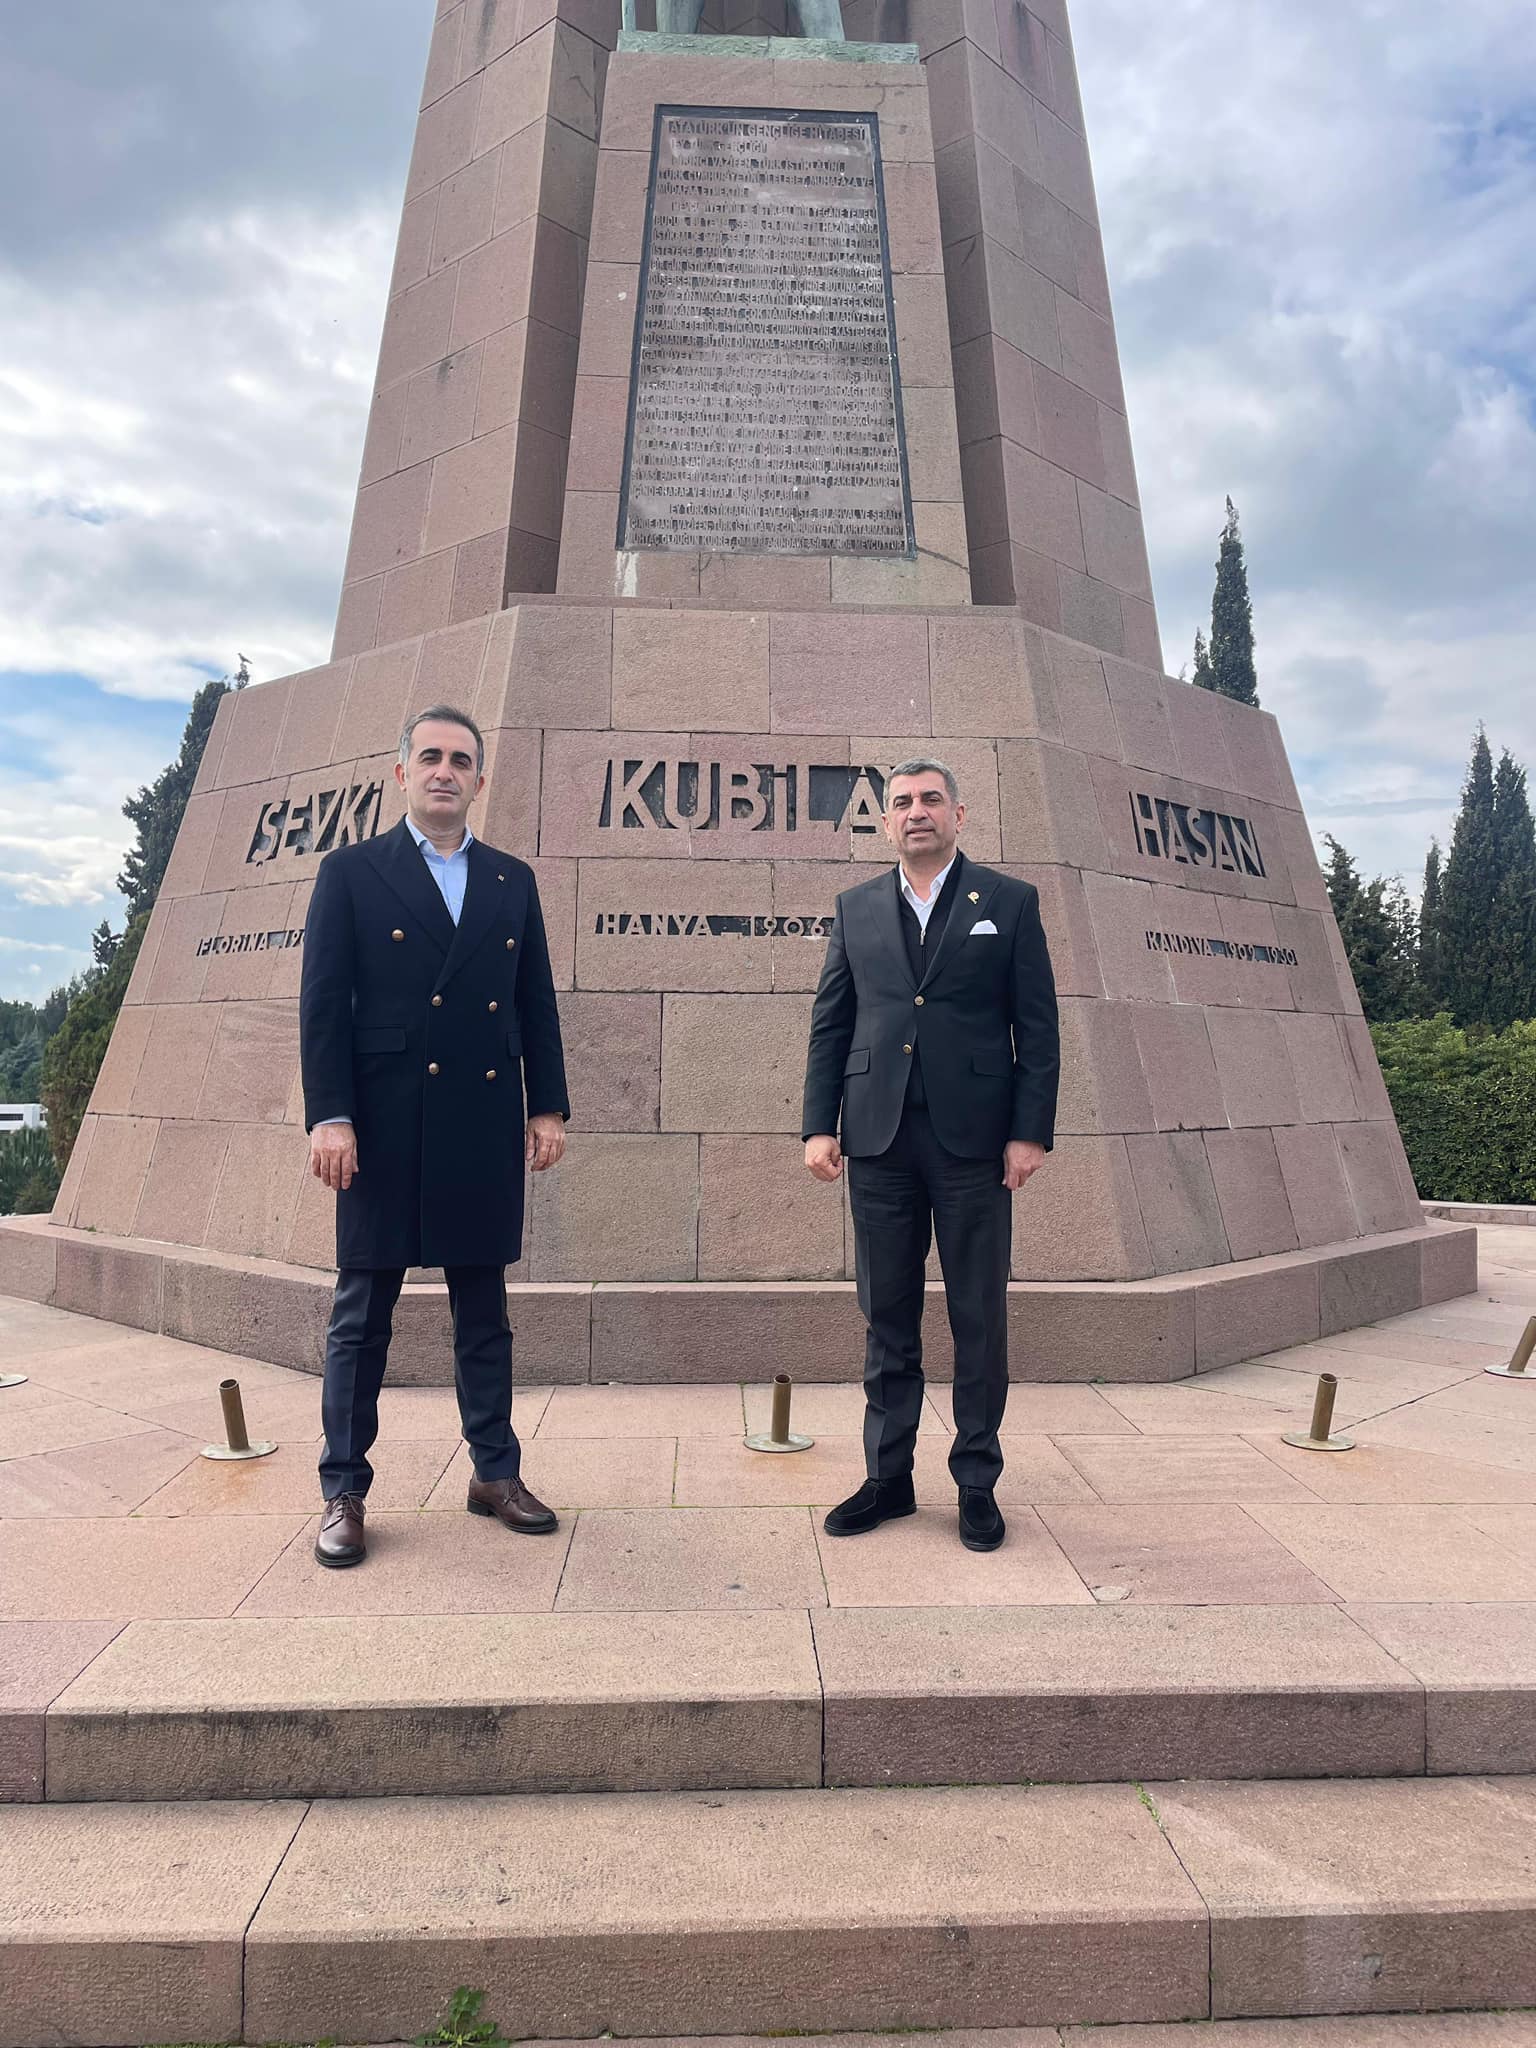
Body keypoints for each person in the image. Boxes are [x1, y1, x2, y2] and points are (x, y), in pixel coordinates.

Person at [299, 705, 570, 1568]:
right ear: (402, 774)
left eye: (460, 760)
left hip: (480, 1119)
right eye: (430, 758)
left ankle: (495, 1472)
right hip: (380, 1122)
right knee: (361, 1316)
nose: (444, 771)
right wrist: (329, 1114)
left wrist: (547, 1105)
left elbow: (534, 1000)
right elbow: (322, 1005)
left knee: (483, 1312)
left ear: (479, 780)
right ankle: (344, 1490)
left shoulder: (511, 879)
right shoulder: (351, 873)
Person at [801, 757, 1059, 1551]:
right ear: (886, 822)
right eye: (903, 802)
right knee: (887, 1317)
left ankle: (976, 1483)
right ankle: (888, 1479)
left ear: (958, 815)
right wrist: (818, 1125)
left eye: (931, 800)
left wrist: (1028, 1132)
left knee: (978, 1315)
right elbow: (832, 1022)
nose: (917, 812)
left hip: (975, 1144)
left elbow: (1037, 1027)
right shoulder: (856, 907)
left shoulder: (1008, 902)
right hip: (878, 1140)